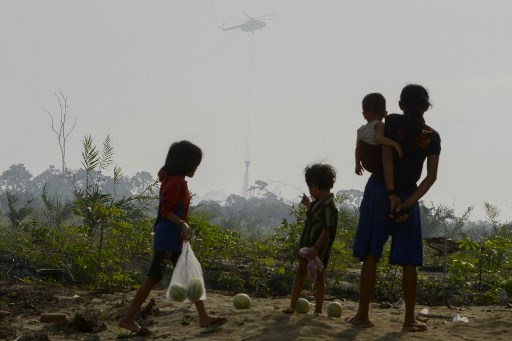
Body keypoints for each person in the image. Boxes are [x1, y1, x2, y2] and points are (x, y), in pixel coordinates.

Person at [347, 84, 441, 331]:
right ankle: (409, 319)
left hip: (380, 191)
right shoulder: (431, 135)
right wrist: (406, 202)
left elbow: (387, 157)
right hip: (409, 194)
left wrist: (390, 194)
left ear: (400, 105)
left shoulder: (392, 122)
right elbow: (430, 178)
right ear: (426, 107)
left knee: (371, 254)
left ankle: (362, 315)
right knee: (409, 260)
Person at [118, 140, 226, 336]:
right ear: (185, 163)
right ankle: (127, 318)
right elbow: (165, 210)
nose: (196, 169)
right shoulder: (175, 182)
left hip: (173, 235)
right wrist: (182, 224)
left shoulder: (172, 179)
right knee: (154, 276)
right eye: (195, 165)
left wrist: (182, 228)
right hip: (168, 235)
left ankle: (203, 317)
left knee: (189, 272)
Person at [284, 164, 338, 316]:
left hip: (318, 249)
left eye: (310, 187)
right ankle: (292, 306)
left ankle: (318, 310)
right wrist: (308, 205)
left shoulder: (329, 206)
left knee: (320, 277)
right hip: (307, 246)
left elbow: (327, 229)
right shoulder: (317, 204)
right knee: (301, 271)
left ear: (315, 186)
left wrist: (316, 248)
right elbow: (314, 219)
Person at [355, 93, 403, 175]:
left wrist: (357, 164)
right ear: (385, 114)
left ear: (364, 114)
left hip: (366, 164)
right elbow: (379, 139)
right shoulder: (379, 125)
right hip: (378, 162)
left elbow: (358, 148)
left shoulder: (360, 130)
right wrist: (395, 144)